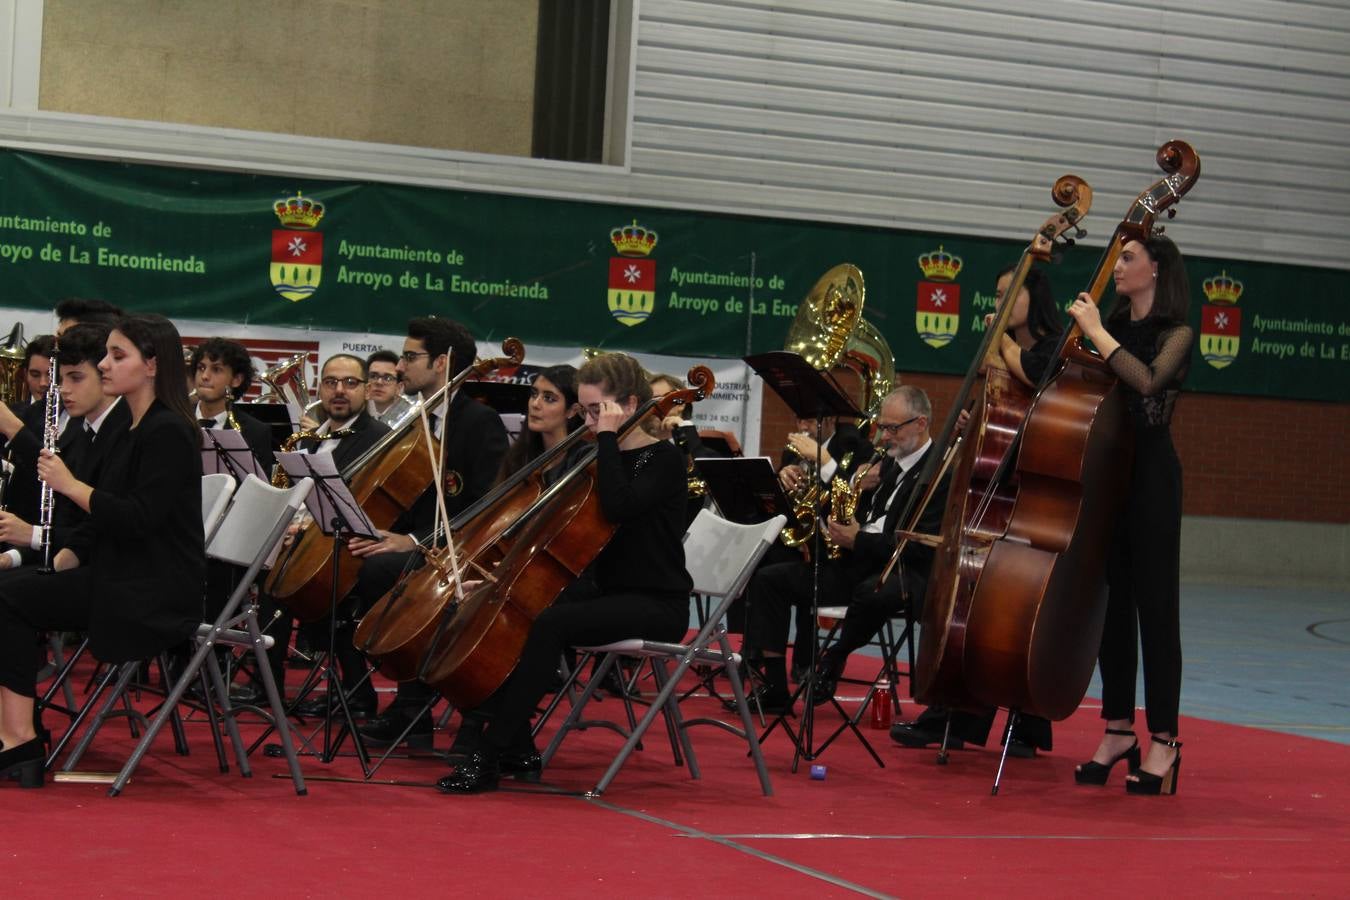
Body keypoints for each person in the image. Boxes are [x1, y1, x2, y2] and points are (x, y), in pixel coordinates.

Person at [436, 351, 692, 794]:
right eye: (586, 411)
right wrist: (504, 578)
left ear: (628, 406)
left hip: (655, 602)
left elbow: (619, 506)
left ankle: (491, 754)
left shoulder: (663, 460)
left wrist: (607, 438)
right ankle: (512, 744)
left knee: (551, 623)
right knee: (513, 609)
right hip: (604, 592)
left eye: (597, 411)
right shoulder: (599, 457)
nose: (589, 421)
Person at [0, 314, 204, 788]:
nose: (107, 366)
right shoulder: (138, 427)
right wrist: (59, 556)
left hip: (149, 590)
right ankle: (15, 735)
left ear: (152, 365)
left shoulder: (168, 430)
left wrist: (71, 487)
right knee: (9, 586)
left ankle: (19, 740)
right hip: (121, 572)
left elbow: (137, 518)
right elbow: (102, 523)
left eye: (118, 356)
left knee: (8, 598)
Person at [889, 267, 1061, 757]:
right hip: (995, 488)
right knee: (985, 604)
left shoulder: (1052, 350)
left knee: (1017, 610)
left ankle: (1016, 721)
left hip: (1031, 492)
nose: (1002, 304)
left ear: (1036, 295)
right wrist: (976, 417)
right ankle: (960, 711)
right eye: (998, 295)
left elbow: (1035, 384)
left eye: (1011, 295)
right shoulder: (1007, 348)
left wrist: (1000, 343)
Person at [1066, 233, 1192, 795]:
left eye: (1129, 258)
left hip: (1154, 483)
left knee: (1156, 611)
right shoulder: (1111, 321)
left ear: (1157, 269)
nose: (1118, 266)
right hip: (1109, 478)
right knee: (1111, 610)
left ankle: (1164, 741)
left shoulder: (1177, 334)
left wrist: (1096, 332)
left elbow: (1147, 384)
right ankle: (1118, 729)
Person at [740, 386, 947, 714]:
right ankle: (775, 689)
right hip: (859, 564)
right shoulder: (886, 463)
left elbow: (913, 546)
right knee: (769, 579)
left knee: (871, 592)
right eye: (883, 427)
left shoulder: (939, 471)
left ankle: (833, 658)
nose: (885, 436)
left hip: (903, 573)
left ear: (921, 424)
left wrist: (856, 539)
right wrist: (852, 498)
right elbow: (862, 516)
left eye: (893, 428)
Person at [353, 317, 508, 745]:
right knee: (347, 560)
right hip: (418, 542)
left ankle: (411, 704)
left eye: (409, 357)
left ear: (441, 363)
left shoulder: (479, 422)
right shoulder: (413, 417)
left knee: (382, 572)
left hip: (459, 551)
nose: (400, 367)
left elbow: (484, 505)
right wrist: (377, 530)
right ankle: (357, 692)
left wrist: (415, 541)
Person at [0, 323, 129, 571]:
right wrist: (12, 557)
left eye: (76, 378)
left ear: (105, 372)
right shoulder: (83, 431)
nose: (63, 390)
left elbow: (101, 534)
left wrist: (34, 535)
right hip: (57, 558)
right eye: (60, 379)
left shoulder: (123, 432)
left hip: (103, 574)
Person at [191, 337, 276, 472]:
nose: (205, 376)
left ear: (236, 380)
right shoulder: (174, 418)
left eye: (216, 369)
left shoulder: (256, 433)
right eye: (201, 368)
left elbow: (259, 489)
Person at [498, 363, 585, 485]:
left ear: (572, 410)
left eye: (549, 398)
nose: (535, 404)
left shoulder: (583, 460)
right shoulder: (519, 455)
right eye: (534, 394)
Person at [364, 349, 414, 427]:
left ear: (399, 387)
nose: (379, 382)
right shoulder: (354, 412)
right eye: (373, 376)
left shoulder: (409, 418)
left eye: (387, 378)